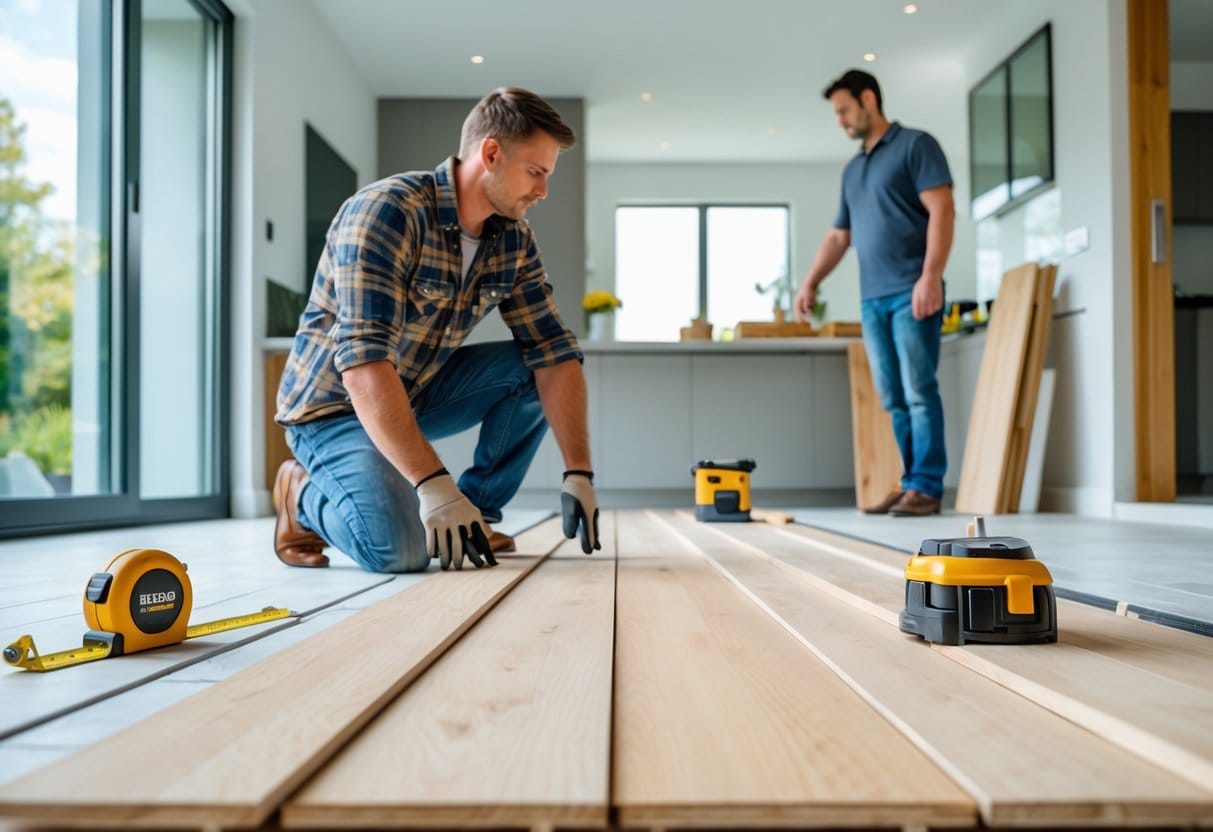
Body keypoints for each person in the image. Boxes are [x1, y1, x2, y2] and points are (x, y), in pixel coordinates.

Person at [272, 87, 600, 572]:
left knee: (532, 366)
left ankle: (475, 513)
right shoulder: (386, 212)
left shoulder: (513, 240)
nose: (543, 191)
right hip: (333, 410)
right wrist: (433, 485)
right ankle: (298, 496)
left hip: (413, 392)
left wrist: (580, 471)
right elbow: (363, 367)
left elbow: (553, 351)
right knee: (399, 551)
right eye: (535, 172)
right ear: (491, 153)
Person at [793, 69, 953, 517]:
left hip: (911, 291)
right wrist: (810, 281)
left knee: (919, 390)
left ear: (868, 99)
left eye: (844, 109)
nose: (841, 120)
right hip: (873, 299)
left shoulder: (916, 146)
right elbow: (839, 236)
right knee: (894, 398)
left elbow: (942, 210)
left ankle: (927, 486)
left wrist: (930, 276)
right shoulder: (854, 169)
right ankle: (911, 486)